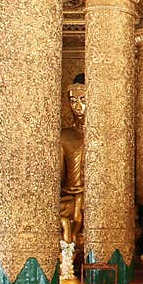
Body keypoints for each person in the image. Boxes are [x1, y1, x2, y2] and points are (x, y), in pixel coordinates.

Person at [60, 73, 86, 245]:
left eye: (83, 99)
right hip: (70, 197)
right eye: (73, 100)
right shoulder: (64, 136)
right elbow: (59, 178)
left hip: (97, 200)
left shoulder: (108, 138)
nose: (78, 106)